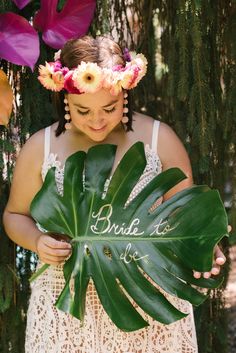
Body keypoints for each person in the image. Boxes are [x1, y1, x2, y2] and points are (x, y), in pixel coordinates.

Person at [3, 35, 226, 353]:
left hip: (146, 302)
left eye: (109, 108)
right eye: (83, 111)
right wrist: (37, 241)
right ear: (64, 99)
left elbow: (184, 215)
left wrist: (204, 243)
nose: (96, 120)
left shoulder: (159, 141)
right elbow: (14, 215)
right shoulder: (41, 148)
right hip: (67, 305)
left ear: (125, 93)